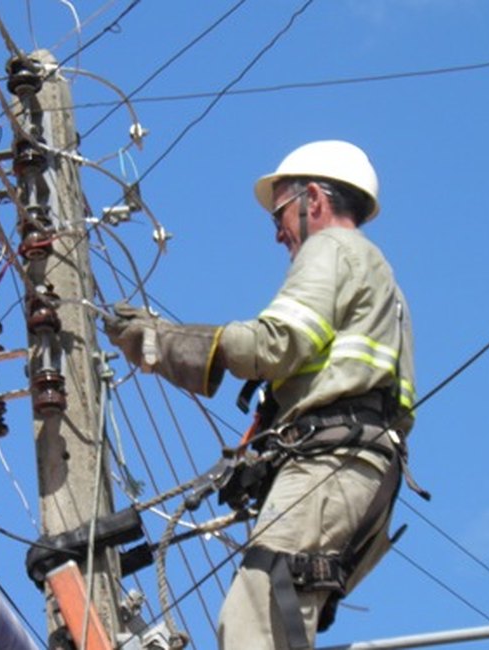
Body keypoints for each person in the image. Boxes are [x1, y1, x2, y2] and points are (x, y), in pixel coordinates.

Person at [106, 140, 417, 650]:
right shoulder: (383, 282)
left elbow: (273, 345)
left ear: (313, 199)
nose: (277, 235)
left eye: (279, 215)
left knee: (255, 618)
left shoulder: (333, 249)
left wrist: (159, 339)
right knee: (276, 614)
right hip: (360, 473)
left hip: (329, 464)